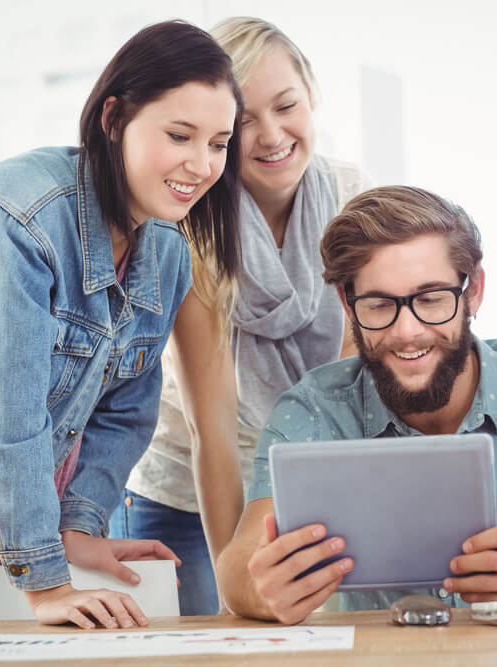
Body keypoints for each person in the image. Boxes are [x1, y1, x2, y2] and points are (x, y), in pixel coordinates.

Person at [0, 20, 243, 629]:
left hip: (29, 510)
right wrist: (46, 578)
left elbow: (126, 412)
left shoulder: (169, 253)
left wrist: (77, 528)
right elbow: (1, 411)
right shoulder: (17, 212)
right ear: (114, 119)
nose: (201, 163)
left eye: (218, 143)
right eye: (179, 135)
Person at [217, 186, 497, 624]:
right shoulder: (311, 412)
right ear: (348, 304)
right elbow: (238, 563)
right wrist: (260, 590)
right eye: (380, 304)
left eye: (431, 300)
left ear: (474, 291)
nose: (407, 331)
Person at [110, 17, 370, 616]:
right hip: (186, 495)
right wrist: (237, 594)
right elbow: (215, 431)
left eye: (287, 106)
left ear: (312, 98)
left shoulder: (354, 200)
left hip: (303, 478)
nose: (272, 134)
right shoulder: (190, 228)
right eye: (245, 120)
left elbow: (356, 381)